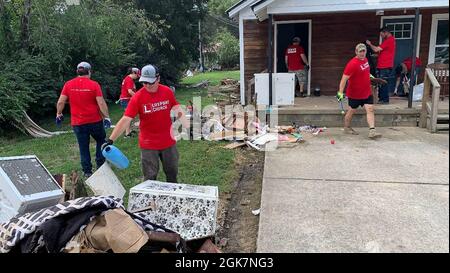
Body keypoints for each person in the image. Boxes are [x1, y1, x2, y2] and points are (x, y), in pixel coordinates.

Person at [103, 64, 188, 183]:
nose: (147, 85)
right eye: (144, 82)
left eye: (150, 82)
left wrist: (189, 126)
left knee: (172, 173)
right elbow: (125, 119)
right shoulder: (137, 97)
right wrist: (110, 140)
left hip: (168, 141)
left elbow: (177, 109)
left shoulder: (167, 92)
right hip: (149, 144)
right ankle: (151, 201)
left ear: (158, 79)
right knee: (150, 178)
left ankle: (172, 196)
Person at [56, 62, 112, 177]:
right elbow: (101, 102)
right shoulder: (94, 84)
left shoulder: (68, 84)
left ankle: (87, 171)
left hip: (78, 123)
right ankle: (101, 165)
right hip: (95, 121)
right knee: (101, 141)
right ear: (89, 72)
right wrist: (106, 117)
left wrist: (59, 113)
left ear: (77, 71)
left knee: (83, 146)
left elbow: (61, 101)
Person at [337, 43, 382, 139]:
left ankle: (372, 131)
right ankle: (347, 127)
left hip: (366, 91)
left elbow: (365, 72)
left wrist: (371, 77)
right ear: (356, 52)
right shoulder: (352, 64)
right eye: (360, 51)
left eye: (363, 51)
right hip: (355, 93)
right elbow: (343, 79)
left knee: (370, 109)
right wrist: (340, 92)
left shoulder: (365, 60)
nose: (362, 53)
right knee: (351, 111)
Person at [366, 27, 396, 104]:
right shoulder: (388, 41)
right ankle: (382, 99)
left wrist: (370, 44)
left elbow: (376, 49)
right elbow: (382, 52)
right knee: (381, 82)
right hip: (383, 65)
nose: (381, 36)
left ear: (386, 32)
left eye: (381, 34)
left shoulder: (389, 40)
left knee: (383, 82)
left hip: (385, 65)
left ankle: (384, 100)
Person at [119, 67, 140, 137]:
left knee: (130, 116)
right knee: (128, 116)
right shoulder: (129, 80)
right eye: (137, 75)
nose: (137, 77)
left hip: (127, 100)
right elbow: (130, 91)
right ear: (133, 73)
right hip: (126, 100)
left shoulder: (129, 79)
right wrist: (138, 97)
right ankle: (127, 134)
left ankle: (129, 131)